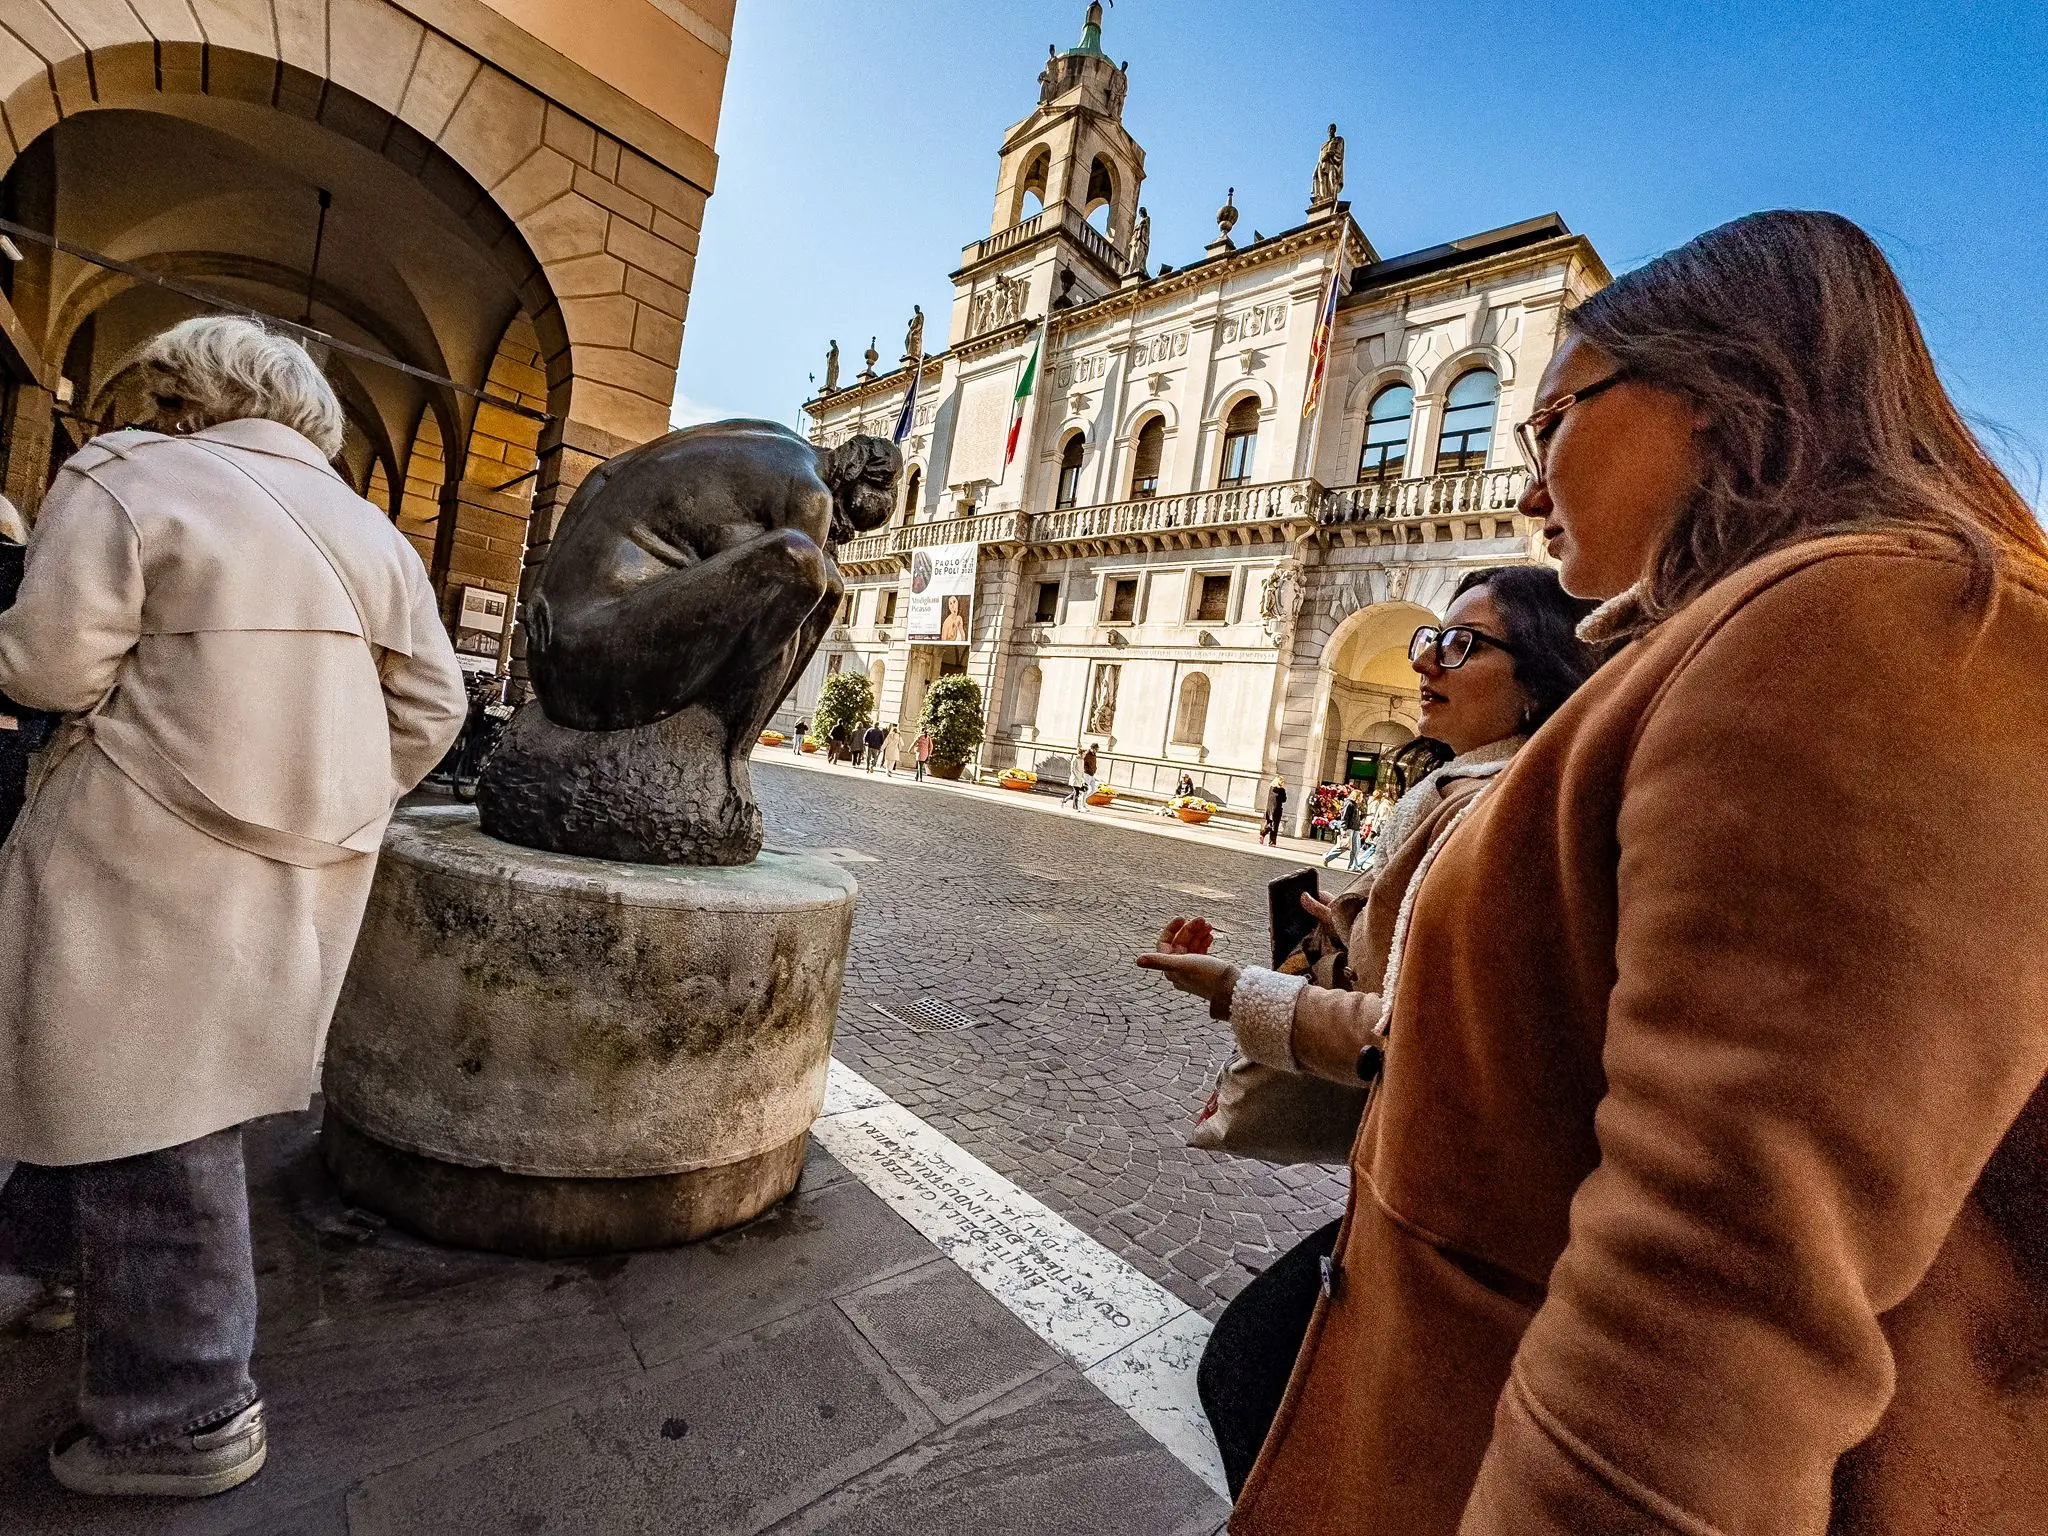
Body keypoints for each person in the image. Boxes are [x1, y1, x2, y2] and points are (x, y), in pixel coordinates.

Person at [1187, 211, 2048, 1534]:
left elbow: (1706, 1314)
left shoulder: (1860, 628)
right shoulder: (1765, 639)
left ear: (1718, 393)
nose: (1529, 487)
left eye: (1551, 426)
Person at [0, 315, 466, 1499]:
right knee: (153, 1084)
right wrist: (322, 794)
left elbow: (47, 669)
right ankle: (38, 1260)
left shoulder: (128, 477)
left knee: (149, 1106)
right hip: (307, 865)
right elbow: (431, 712)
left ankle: (182, 1410)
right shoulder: (375, 535)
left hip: (133, 843)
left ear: (178, 395)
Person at [1138, 564, 1599, 1497]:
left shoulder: (1498, 816)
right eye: (1433, 639)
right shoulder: (1463, 798)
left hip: (1459, 1203)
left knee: (1250, 1377)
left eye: (1462, 645)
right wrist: (1349, 935)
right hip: (1432, 1189)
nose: (1428, 660)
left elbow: (1419, 1029)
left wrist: (1239, 990)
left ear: (1541, 678)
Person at [1320, 786, 1365, 870]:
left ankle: (1353, 866)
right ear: (1357, 796)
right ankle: (1327, 857)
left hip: (1355, 829)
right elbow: (1345, 817)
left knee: (1356, 848)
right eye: (1361, 796)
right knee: (1343, 846)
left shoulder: (1355, 805)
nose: (1362, 798)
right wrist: (1343, 829)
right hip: (1349, 828)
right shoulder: (1349, 804)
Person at [1065, 744, 1100, 809]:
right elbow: (1079, 765)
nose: (1097, 751)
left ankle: (1075, 799)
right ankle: (1081, 805)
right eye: (1096, 749)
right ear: (1092, 748)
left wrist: (1095, 769)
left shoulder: (1094, 755)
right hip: (1086, 774)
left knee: (1093, 789)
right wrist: (1083, 773)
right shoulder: (1086, 754)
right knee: (1083, 790)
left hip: (1092, 774)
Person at [1257, 775, 1286, 845]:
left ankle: (1263, 834)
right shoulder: (1282, 790)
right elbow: (1284, 800)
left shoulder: (1271, 788)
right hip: (1277, 810)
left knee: (1270, 824)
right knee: (1275, 826)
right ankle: (1272, 841)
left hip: (1269, 809)